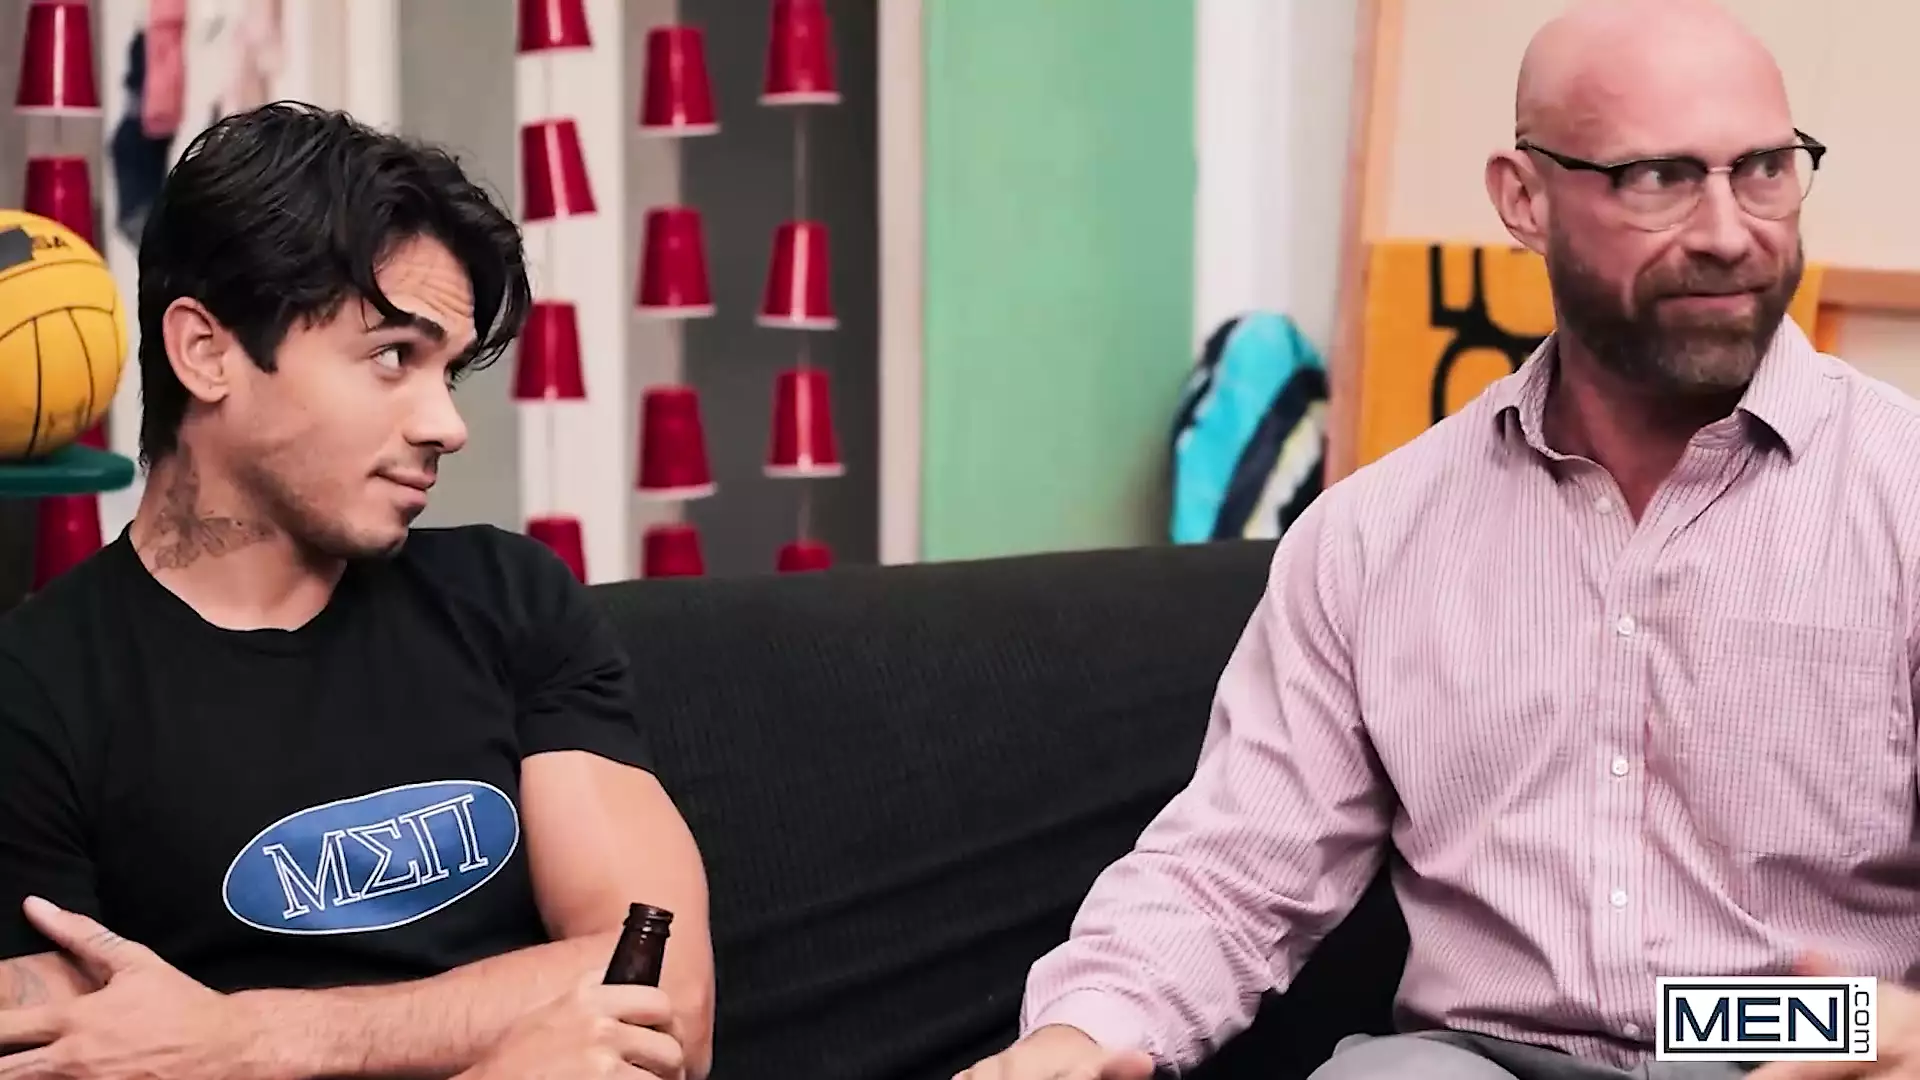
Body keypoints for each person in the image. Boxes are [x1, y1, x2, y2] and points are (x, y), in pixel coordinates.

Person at [961, 2, 1920, 1079]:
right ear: (1524, 199)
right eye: (1659, 177)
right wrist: (1081, 1034)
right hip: (1487, 1052)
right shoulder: (1373, 537)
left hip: (1807, 1038)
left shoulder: (1904, 498)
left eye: (1765, 170)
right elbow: (1233, 867)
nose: (1729, 232)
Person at [0, 103, 714, 1080]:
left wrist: (246, 1041)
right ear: (207, 352)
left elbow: (666, 997)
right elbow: (76, 1062)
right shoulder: (34, 694)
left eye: (448, 371)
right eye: (392, 357)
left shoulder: (512, 600)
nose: (446, 424)